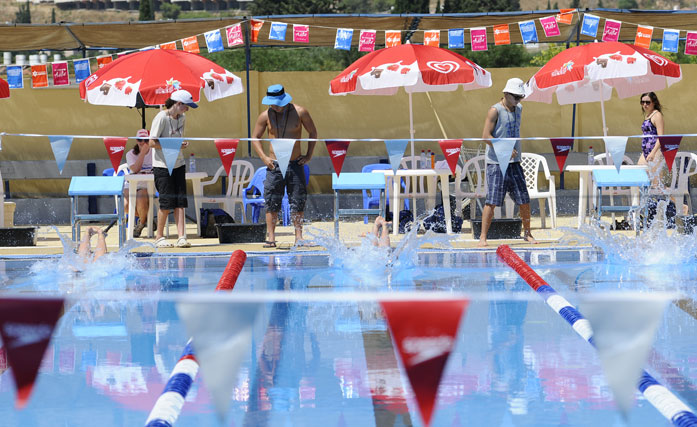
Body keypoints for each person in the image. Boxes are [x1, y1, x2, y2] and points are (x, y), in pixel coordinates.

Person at [252, 84, 317, 248]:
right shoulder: (265, 115)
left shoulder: (300, 112)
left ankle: (299, 237)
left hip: (295, 164)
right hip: (274, 165)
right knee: (271, 201)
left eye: (278, 103)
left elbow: (313, 132)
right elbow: (255, 137)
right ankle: (271, 237)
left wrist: (308, 155)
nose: (275, 106)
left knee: (298, 200)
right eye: (272, 103)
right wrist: (264, 158)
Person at [478, 78, 536, 248]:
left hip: (514, 161)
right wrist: (504, 147)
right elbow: (485, 136)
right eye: (516, 97)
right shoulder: (494, 111)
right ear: (506, 94)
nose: (518, 100)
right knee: (492, 200)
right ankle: (483, 237)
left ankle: (527, 233)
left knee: (524, 199)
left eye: (520, 97)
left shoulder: (519, 108)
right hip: (496, 162)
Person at [149, 89, 197, 248]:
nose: (187, 109)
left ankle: (181, 236)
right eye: (186, 106)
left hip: (179, 163)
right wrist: (173, 145)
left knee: (180, 201)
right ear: (178, 103)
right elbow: (152, 143)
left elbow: (177, 139)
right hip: (162, 165)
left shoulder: (182, 118)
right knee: (166, 201)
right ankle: (159, 237)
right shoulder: (161, 117)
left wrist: (181, 144)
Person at [124, 129, 152, 238]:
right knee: (125, 205)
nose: (143, 142)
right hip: (132, 183)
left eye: (146, 140)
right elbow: (135, 169)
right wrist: (142, 153)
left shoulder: (155, 153)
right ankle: (146, 218)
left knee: (141, 197)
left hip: (147, 184)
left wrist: (144, 152)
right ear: (136, 140)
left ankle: (140, 224)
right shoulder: (130, 154)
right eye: (140, 140)